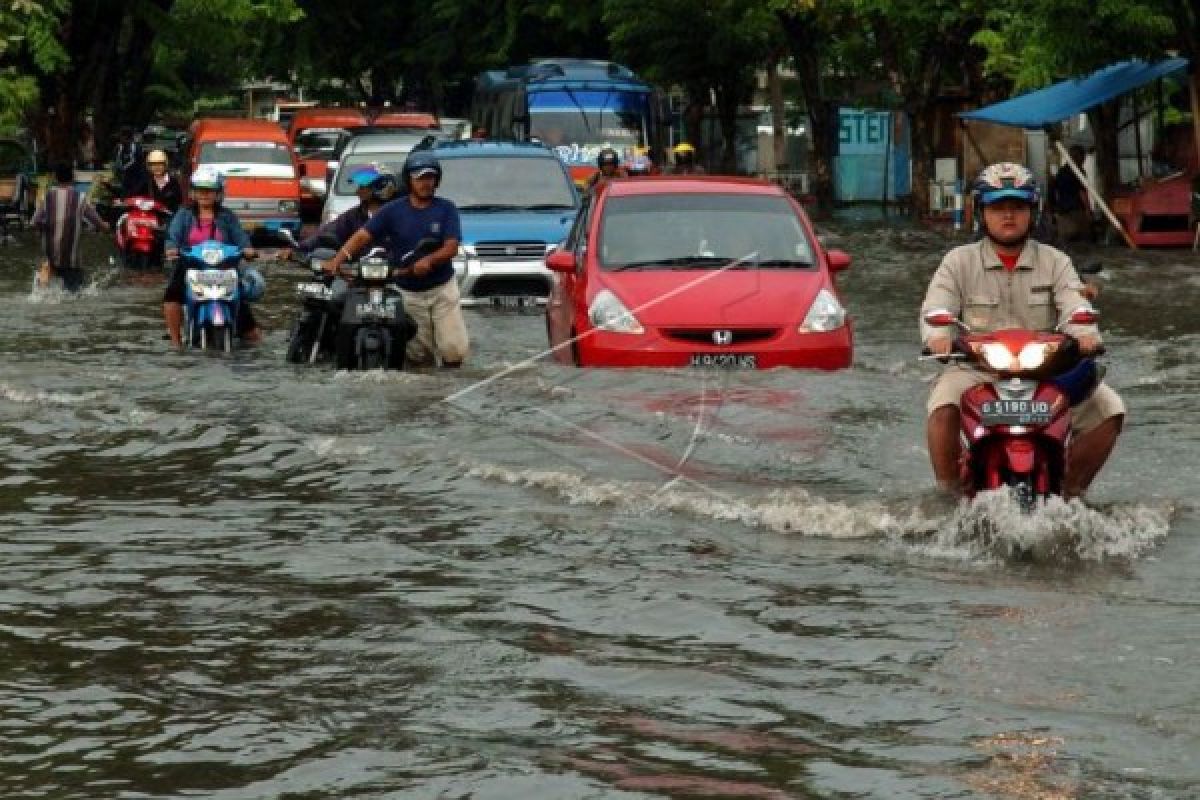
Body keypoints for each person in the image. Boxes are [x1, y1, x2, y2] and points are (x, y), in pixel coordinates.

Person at [920, 162, 1124, 499]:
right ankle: (948, 497)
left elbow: (1075, 305)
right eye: (998, 207)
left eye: (1018, 206)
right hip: (976, 368)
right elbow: (935, 308)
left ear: (1034, 211)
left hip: (1044, 369)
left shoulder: (1056, 261)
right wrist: (938, 338)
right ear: (981, 213)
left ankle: (1071, 494)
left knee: (1110, 409)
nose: (1008, 215)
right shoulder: (958, 261)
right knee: (942, 408)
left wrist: (1086, 335)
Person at [323, 150, 468, 367]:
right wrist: (337, 260)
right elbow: (363, 235)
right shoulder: (393, 210)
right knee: (418, 357)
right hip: (407, 291)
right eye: (419, 178)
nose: (425, 183)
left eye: (430, 178)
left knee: (453, 352)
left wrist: (429, 261)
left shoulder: (446, 209)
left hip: (442, 289)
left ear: (437, 180)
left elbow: (451, 247)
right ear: (409, 180)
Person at [162, 166, 260, 348]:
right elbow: (172, 236)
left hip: (224, 268)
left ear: (218, 193)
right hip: (191, 266)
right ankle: (176, 343)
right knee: (172, 295)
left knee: (252, 333)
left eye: (210, 190)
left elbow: (240, 238)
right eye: (200, 190)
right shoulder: (184, 215)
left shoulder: (227, 217)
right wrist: (171, 249)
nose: (204, 194)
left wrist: (247, 249)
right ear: (194, 192)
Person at [31, 162, 111, 290]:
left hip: (51, 255)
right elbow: (98, 223)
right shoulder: (80, 198)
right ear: (72, 178)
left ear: (55, 178)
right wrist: (106, 226)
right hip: (71, 260)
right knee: (75, 294)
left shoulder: (47, 197)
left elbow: (34, 222)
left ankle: (45, 274)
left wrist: (43, 229)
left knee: (46, 286)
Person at [289, 163, 398, 257]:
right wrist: (297, 248)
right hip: (357, 273)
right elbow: (326, 233)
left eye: (362, 187)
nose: (358, 192)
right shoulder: (353, 216)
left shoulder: (400, 214)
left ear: (379, 188)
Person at [1048, 145, 1091, 243]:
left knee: (1065, 244)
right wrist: (1088, 211)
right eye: (1083, 157)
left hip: (1063, 213)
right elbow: (1082, 192)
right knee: (1084, 243)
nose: (1083, 160)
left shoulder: (1061, 172)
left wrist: (1053, 209)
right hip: (1077, 212)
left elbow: (1053, 190)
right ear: (1079, 157)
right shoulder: (1080, 172)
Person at [113, 126, 146, 198]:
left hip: (137, 181)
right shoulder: (118, 148)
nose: (119, 139)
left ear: (126, 137)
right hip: (124, 181)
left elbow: (139, 165)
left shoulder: (137, 149)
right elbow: (116, 164)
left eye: (121, 136)